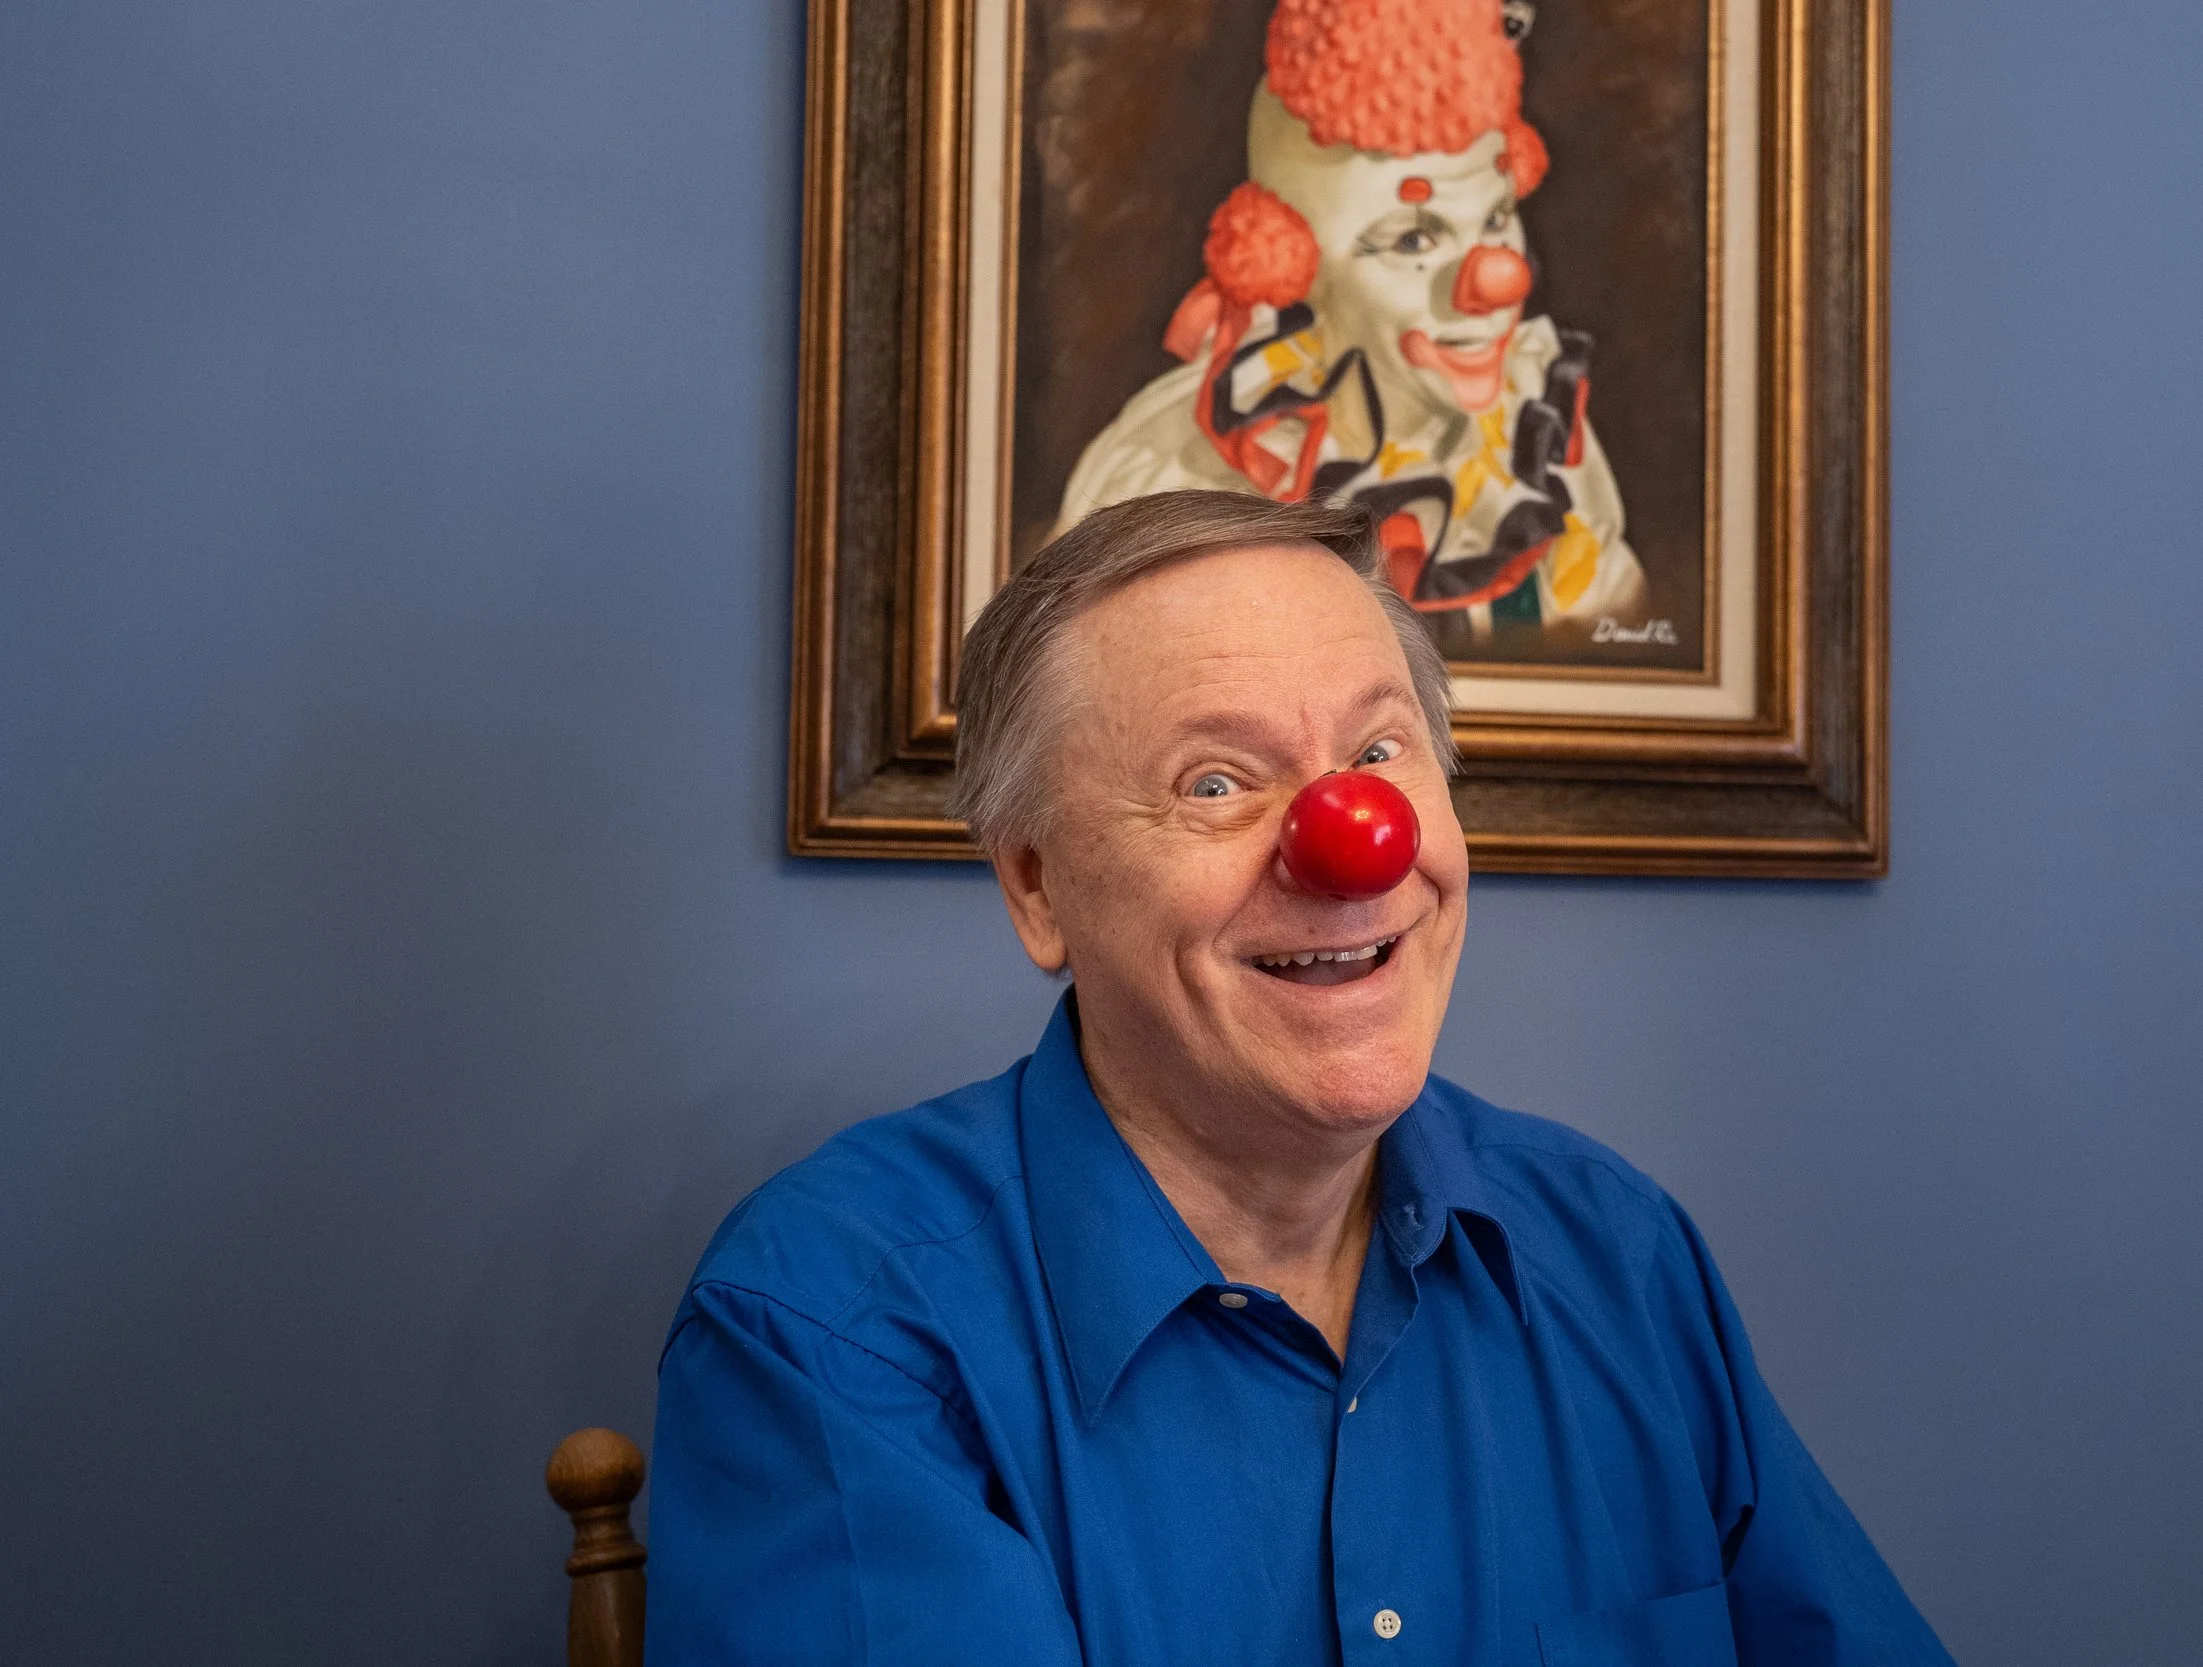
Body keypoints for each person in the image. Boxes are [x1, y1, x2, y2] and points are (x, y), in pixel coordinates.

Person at [647, 491, 1952, 1665]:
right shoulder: (830, 1328)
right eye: (1215, 779)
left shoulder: (1615, 1253)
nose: (1353, 845)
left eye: (1379, 754)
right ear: (1037, 886)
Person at [1055, 0, 1647, 647]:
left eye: (1497, 218)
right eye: (1414, 241)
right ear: (1287, 261)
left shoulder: (1544, 446)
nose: (1494, 282)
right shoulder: (1169, 472)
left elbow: (1619, 651)